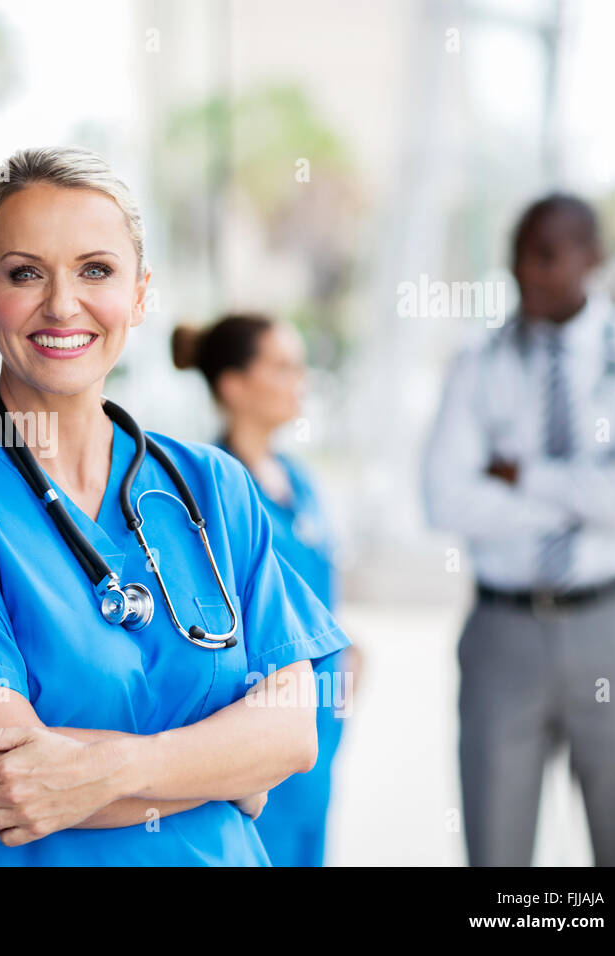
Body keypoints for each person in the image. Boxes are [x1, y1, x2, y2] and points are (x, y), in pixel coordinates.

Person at [0, 146, 351, 866]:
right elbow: (13, 781)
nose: (62, 304)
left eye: (97, 270)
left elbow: (293, 732)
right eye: (25, 273)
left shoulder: (214, 485)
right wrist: (223, 767)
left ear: (141, 293)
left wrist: (115, 771)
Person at [423, 192, 615, 866]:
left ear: (593, 258)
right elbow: (446, 501)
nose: (529, 271)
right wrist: (587, 492)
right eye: (519, 255)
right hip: (504, 635)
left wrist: (520, 474)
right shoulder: (478, 362)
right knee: (496, 854)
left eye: (548, 256)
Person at [172, 313, 355, 866]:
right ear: (234, 386)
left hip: (318, 737)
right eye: (281, 367)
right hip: (256, 740)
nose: (299, 379)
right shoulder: (209, 494)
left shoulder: (299, 481)